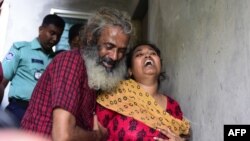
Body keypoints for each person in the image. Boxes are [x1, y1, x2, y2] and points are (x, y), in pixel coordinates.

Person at [21, 7, 133, 141]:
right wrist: (97, 136)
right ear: (92, 39)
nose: (115, 56)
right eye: (109, 47)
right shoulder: (72, 61)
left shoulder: (94, 75)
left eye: (121, 51)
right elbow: (63, 136)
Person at [96, 43, 190, 141]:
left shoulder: (173, 106)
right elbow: (96, 135)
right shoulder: (115, 94)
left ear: (160, 65)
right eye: (139, 54)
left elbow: (181, 137)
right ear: (130, 70)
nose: (147, 55)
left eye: (153, 53)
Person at [0, 14, 65, 126]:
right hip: (18, 110)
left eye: (58, 36)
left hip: (43, 116)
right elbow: (2, 82)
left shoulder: (57, 60)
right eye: (52, 33)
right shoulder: (21, 49)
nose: (55, 39)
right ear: (41, 29)